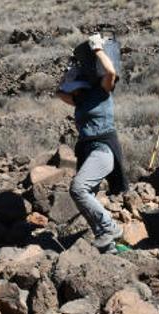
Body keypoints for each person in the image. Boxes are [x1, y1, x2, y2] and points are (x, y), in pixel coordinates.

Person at [55, 34, 127, 253]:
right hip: (87, 150)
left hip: (103, 148)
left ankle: (110, 228)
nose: (71, 90)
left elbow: (111, 71)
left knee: (78, 189)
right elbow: (59, 92)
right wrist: (70, 70)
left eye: (74, 86)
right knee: (87, 197)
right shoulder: (80, 100)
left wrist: (97, 49)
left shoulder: (102, 91)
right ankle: (108, 246)